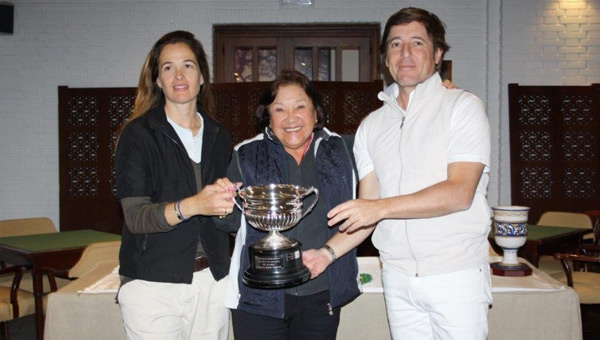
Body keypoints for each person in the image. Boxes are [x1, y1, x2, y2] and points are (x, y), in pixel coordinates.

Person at [304, 7, 492, 340]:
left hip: (456, 273)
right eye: (395, 44)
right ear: (385, 59)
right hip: (397, 276)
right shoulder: (371, 127)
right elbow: (368, 209)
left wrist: (379, 208)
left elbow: (460, 192)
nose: (405, 53)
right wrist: (326, 253)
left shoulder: (463, 107)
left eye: (417, 43)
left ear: (437, 54)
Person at [214, 70, 361, 340]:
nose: (290, 118)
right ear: (268, 117)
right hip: (260, 298)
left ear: (316, 113)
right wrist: (220, 206)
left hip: (320, 291)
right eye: (279, 109)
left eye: (300, 107)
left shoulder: (345, 149)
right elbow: (229, 223)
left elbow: (397, 144)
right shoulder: (246, 153)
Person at [114, 30, 238, 340]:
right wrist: (195, 204)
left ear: (202, 76)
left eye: (188, 65)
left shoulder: (219, 135)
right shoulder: (139, 135)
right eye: (168, 67)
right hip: (152, 283)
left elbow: (225, 215)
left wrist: (233, 206)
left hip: (213, 279)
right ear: (157, 79)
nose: (179, 75)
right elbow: (137, 217)